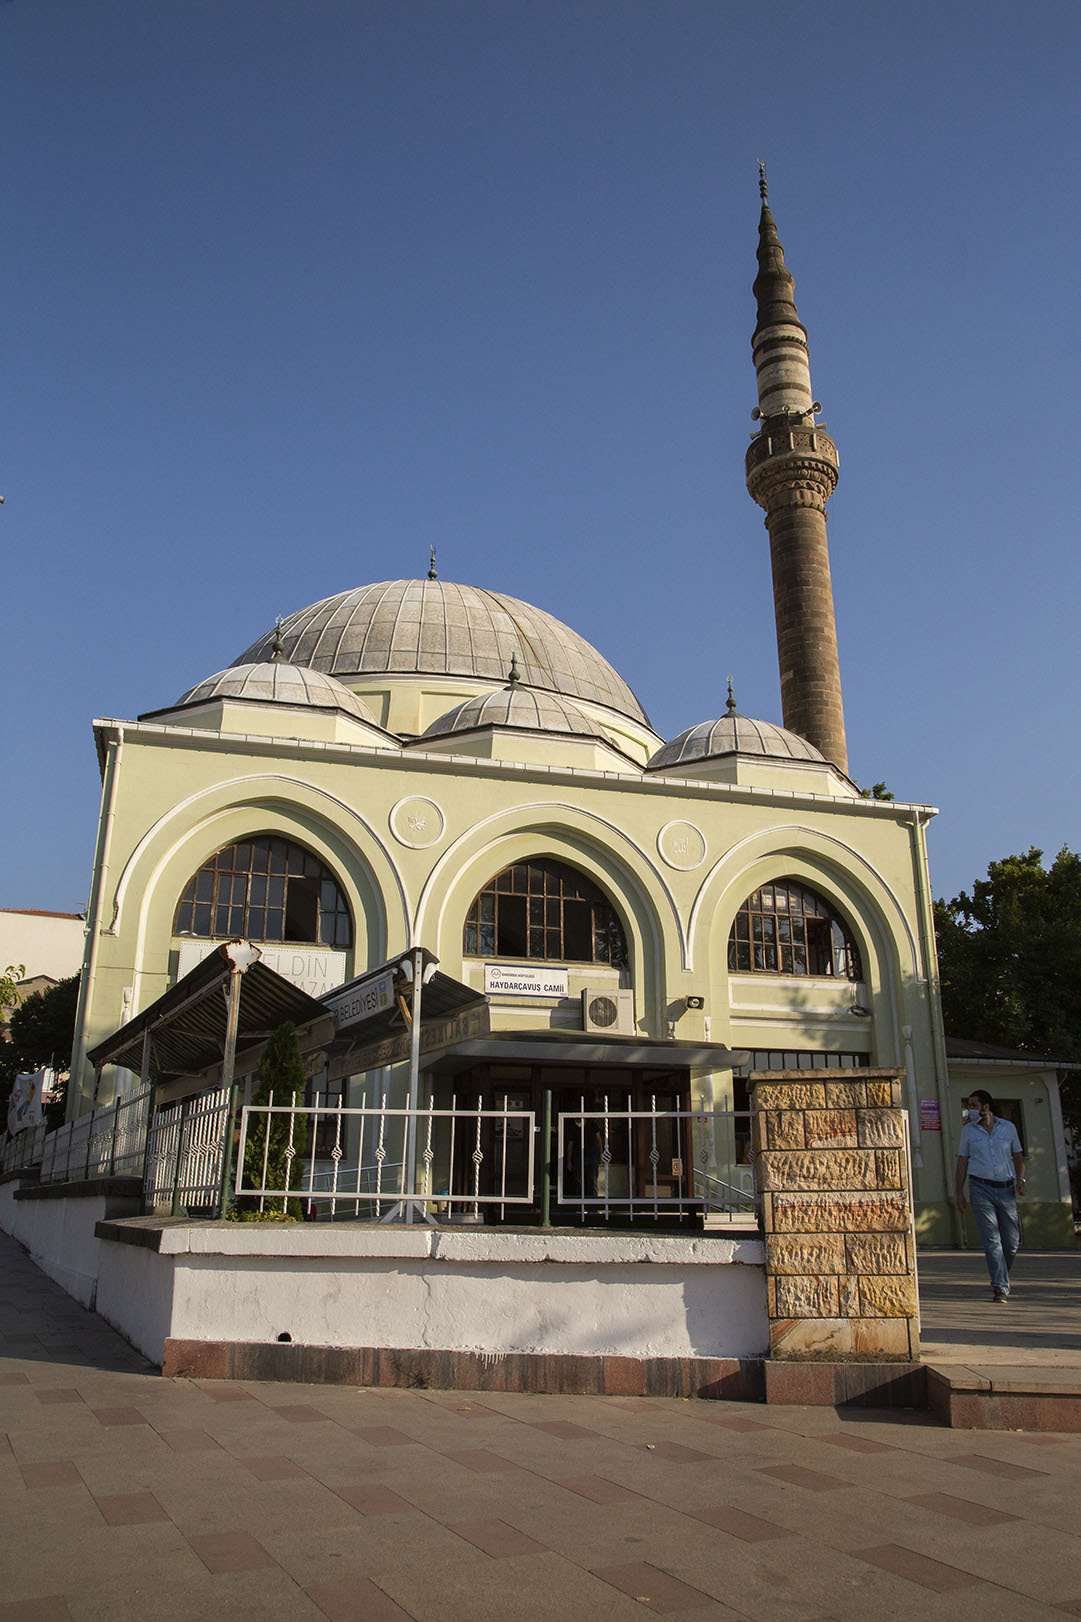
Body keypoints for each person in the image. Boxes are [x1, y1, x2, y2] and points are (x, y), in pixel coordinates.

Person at [955, 1089, 1026, 1302]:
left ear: (986, 1107)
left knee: (1011, 1242)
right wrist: (959, 1191)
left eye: (974, 1105)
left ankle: (1001, 1275)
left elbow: (1018, 1156)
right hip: (980, 1188)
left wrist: (1021, 1181)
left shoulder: (1008, 1128)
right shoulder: (968, 1132)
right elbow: (962, 1161)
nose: (971, 1110)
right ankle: (1000, 1287)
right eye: (969, 1106)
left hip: (1005, 1189)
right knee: (992, 1240)